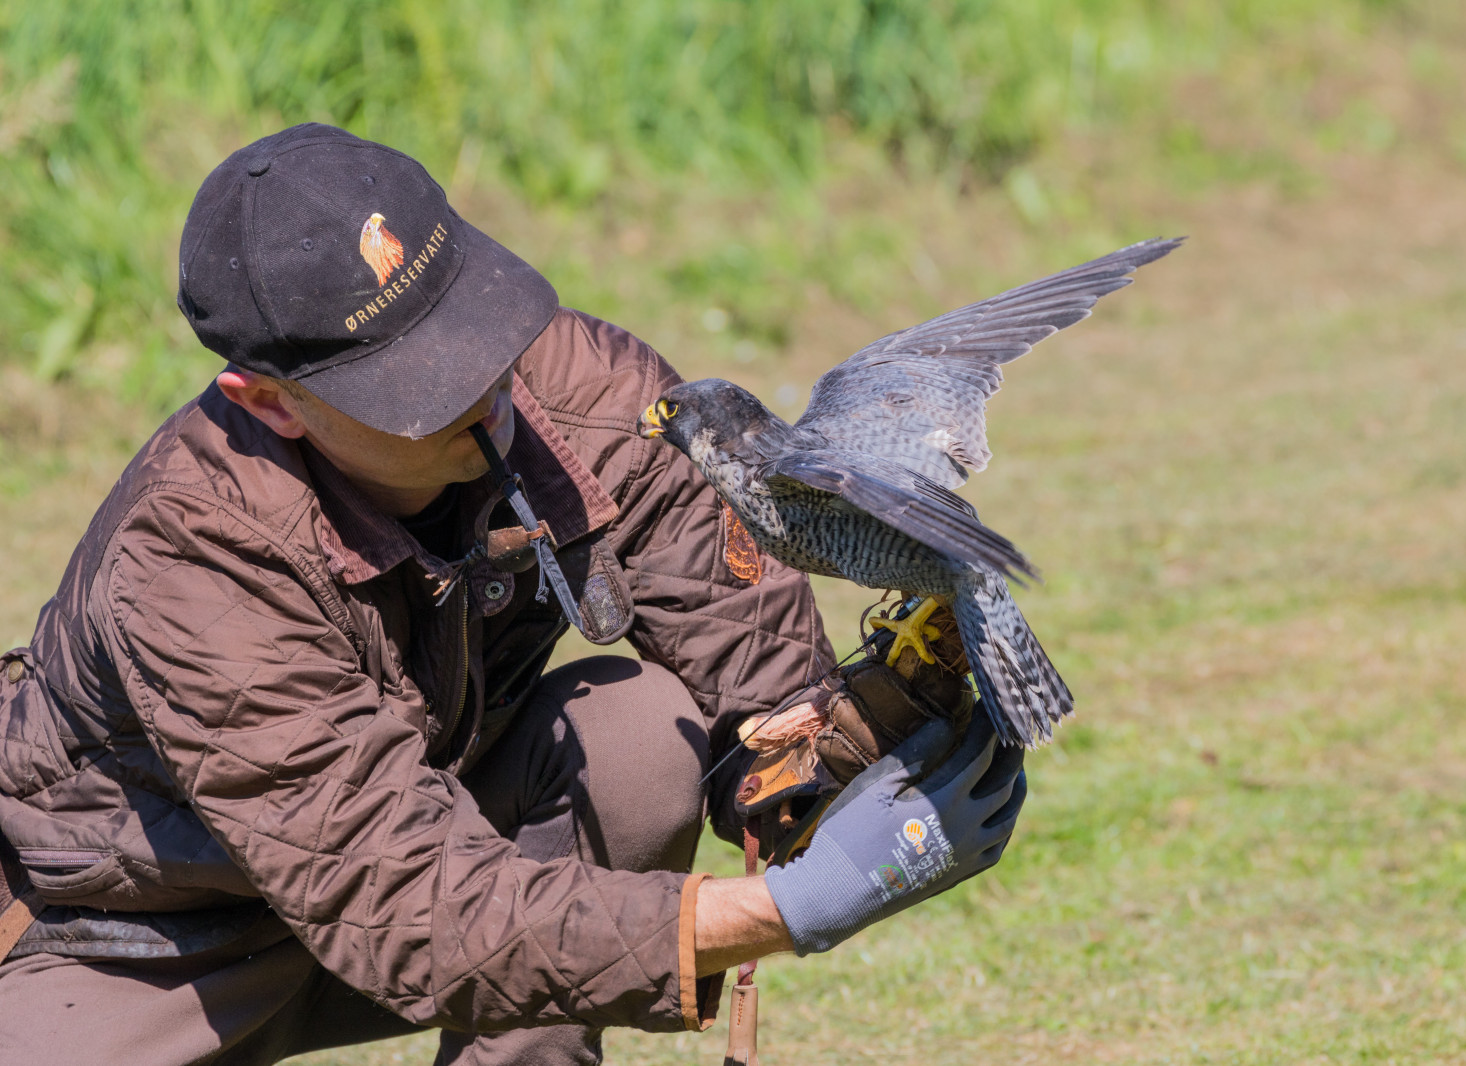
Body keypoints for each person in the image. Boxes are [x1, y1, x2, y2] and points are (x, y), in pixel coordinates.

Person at [0, 124, 1025, 1066]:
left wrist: (868, 757)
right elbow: (406, 910)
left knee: (635, 739)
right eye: (412, 376)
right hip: (138, 936)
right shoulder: (193, 557)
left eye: (462, 322)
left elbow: (752, 663)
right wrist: (793, 905)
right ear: (268, 402)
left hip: (420, 830)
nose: (480, 379)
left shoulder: (577, 388)